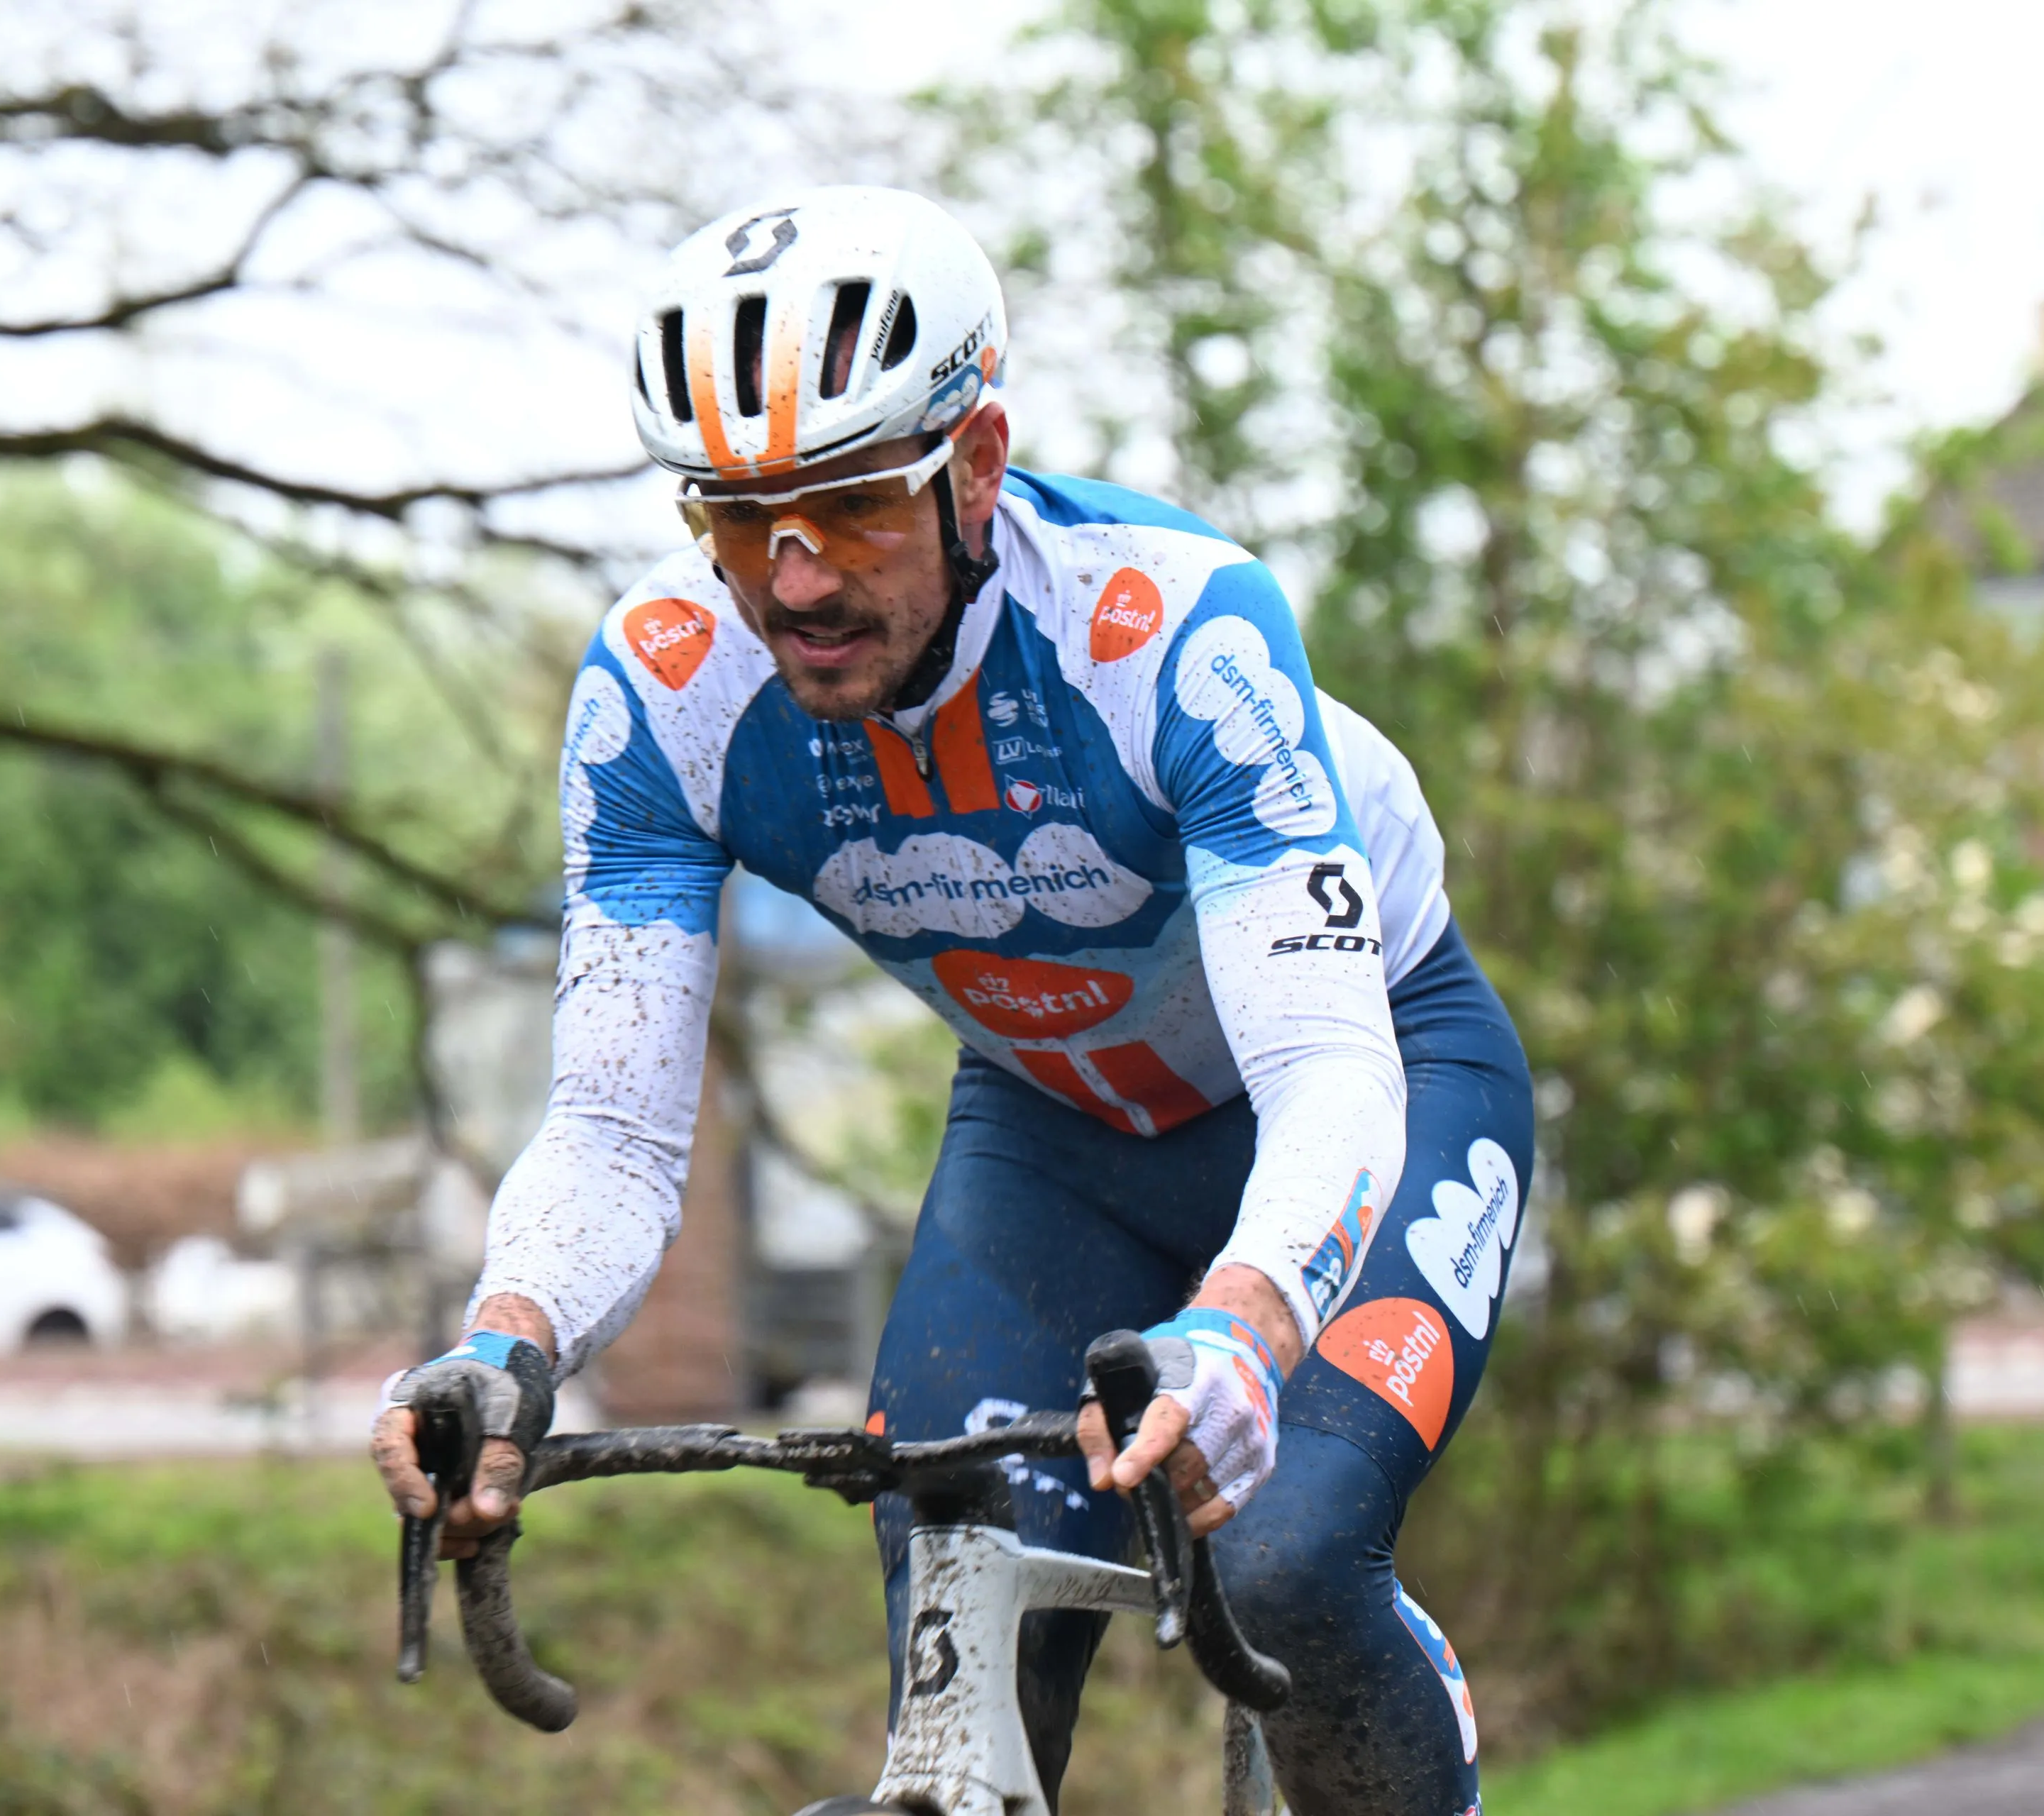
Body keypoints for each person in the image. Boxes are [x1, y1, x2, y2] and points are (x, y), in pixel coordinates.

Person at [371, 185, 1531, 1815]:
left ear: (974, 464)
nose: (792, 581)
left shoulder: (1173, 633)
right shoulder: (664, 701)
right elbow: (618, 1127)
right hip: (1053, 1140)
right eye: (734, 515)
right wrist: (507, 1340)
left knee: (1275, 1566)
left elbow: (1330, 1068)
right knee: (956, 1578)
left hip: (1375, 1078)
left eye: (846, 508)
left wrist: (1249, 1323)